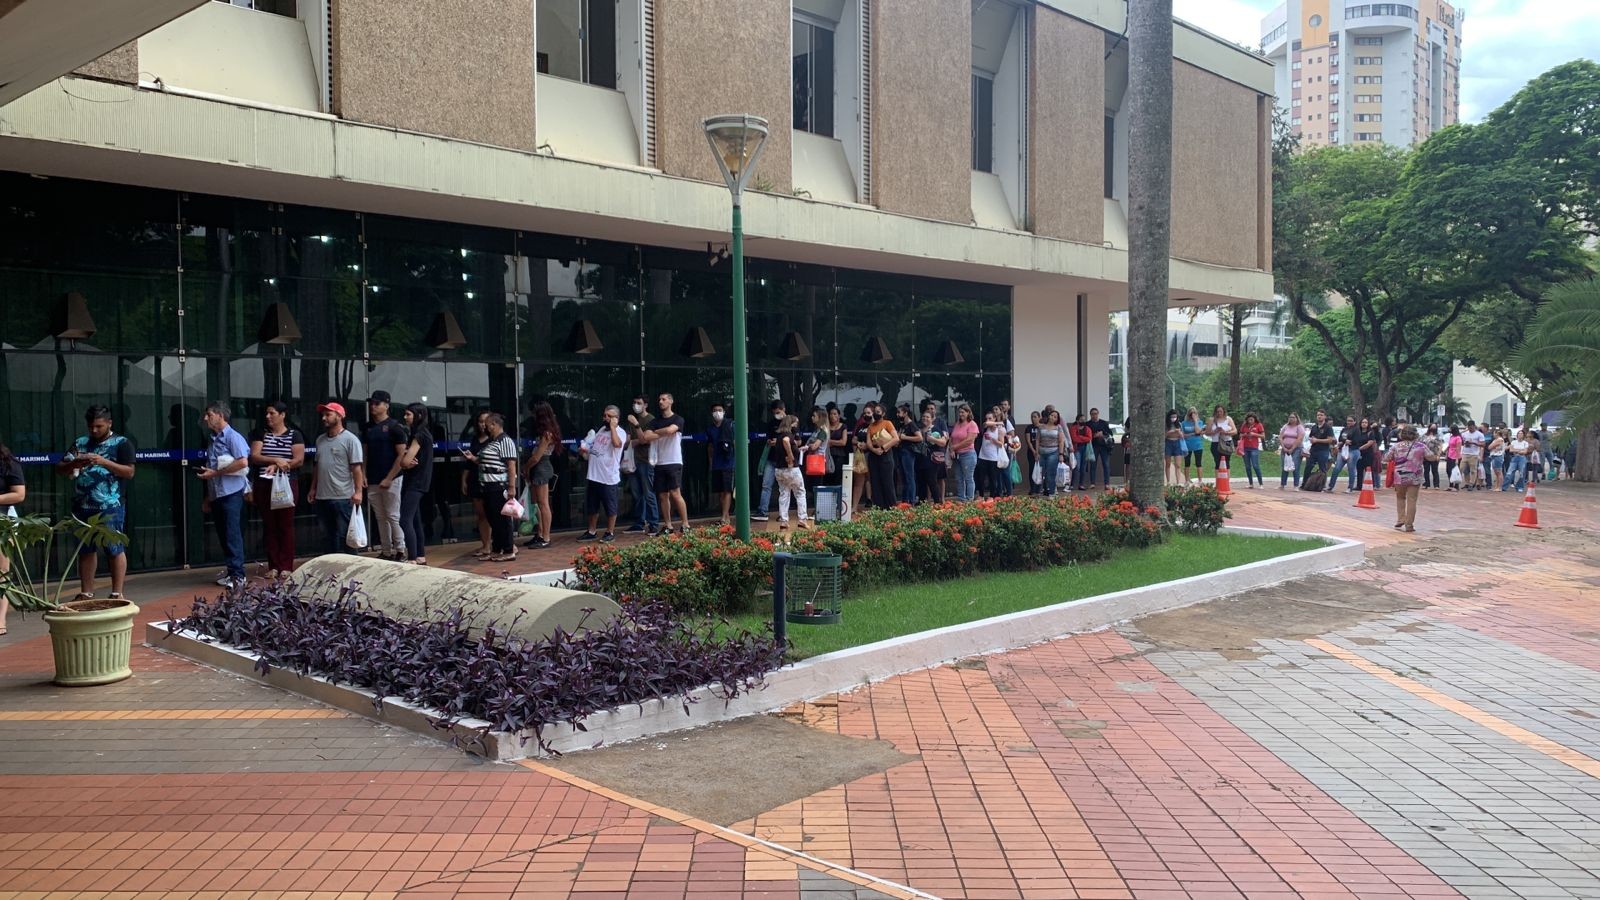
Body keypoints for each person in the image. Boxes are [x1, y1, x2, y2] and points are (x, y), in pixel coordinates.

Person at [58, 405, 137, 601]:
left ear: (109, 423)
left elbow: (129, 472)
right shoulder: (80, 443)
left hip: (110, 506)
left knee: (114, 547)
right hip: (82, 505)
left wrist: (104, 462)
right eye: (91, 426)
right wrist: (74, 464)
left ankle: (117, 592)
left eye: (99, 426)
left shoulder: (122, 443)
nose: (94, 430)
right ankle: (86, 592)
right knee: (85, 549)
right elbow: (60, 468)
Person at [248, 400, 306, 578]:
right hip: (265, 484)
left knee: (285, 525)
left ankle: (286, 565)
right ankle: (273, 565)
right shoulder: (261, 434)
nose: (268, 417)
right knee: (270, 525)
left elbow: (299, 459)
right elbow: (256, 456)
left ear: (282, 415)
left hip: (286, 484)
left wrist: (281, 465)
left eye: (272, 413)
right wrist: (275, 460)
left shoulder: (295, 435)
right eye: (267, 413)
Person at [308, 401, 365, 556]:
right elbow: (317, 466)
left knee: (347, 537)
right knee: (328, 537)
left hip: (343, 496)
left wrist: (358, 492)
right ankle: (331, 571)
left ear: (339, 416)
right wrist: (313, 488)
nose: (324, 418)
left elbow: (356, 468)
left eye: (328, 414)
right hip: (322, 496)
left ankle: (352, 571)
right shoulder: (320, 440)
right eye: (323, 415)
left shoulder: (350, 439)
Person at [364, 391, 410, 562]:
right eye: (372, 403)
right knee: (380, 516)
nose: (373, 406)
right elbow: (365, 453)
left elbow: (401, 455)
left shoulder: (395, 427)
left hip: (392, 478)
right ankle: (386, 549)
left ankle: (400, 549)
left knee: (392, 515)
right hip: (373, 477)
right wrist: (363, 473)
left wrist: (389, 477)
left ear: (386, 405)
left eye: (377, 403)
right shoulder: (368, 427)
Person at [638, 393, 688, 534]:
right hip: (659, 462)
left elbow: (672, 429)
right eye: (659, 399)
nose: (661, 402)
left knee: (675, 493)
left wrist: (658, 432)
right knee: (662, 495)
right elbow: (646, 437)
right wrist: (664, 432)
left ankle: (685, 524)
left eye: (664, 399)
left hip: (673, 461)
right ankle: (668, 525)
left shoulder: (678, 419)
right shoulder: (655, 421)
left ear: (671, 401)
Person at [579, 405, 627, 542]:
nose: (605, 418)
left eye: (609, 416)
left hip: (608, 477)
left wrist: (613, 427)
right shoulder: (600, 430)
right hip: (594, 475)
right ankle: (591, 531)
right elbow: (595, 446)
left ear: (616, 419)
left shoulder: (620, 432)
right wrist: (585, 450)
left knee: (610, 506)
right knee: (592, 506)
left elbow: (617, 444)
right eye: (604, 415)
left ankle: (609, 532)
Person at [476, 413, 518, 561]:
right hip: (488, 486)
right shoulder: (493, 441)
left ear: (494, 424)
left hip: (499, 486)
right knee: (493, 518)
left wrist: (511, 487)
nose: (485, 428)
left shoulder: (505, 441)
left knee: (502, 519)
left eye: (487, 425)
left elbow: (511, 465)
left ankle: (508, 550)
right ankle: (497, 548)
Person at [521, 401, 561, 549]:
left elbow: (537, 457)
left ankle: (546, 536)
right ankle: (540, 533)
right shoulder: (546, 431)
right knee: (536, 503)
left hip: (541, 467)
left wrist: (526, 467)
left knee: (543, 503)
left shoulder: (547, 434)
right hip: (538, 468)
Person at [398, 404, 434, 565]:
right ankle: (420, 555)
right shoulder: (421, 433)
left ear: (418, 415)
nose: (405, 417)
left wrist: (405, 460)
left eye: (408, 414)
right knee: (414, 519)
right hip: (416, 481)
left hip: (416, 481)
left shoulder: (419, 435)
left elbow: (405, 461)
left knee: (405, 520)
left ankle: (412, 557)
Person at [624, 394, 661, 534]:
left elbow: (644, 439)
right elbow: (628, 441)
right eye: (634, 402)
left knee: (648, 493)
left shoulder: (650, 420)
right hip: (633, 461)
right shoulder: (632, 420)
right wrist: (633, 441)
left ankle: (654, 523)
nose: (636, 405)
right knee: (636, 493)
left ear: (645, 405)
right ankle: (639, 522)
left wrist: (636, 427)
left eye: (639, 402)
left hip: (646, 461)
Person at [0, 441, 27, 635]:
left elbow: (19, 495)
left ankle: (0, 619)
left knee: (1, 572)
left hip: (3, 520)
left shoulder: (8, 463)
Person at [459, 410, 492, 558]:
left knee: (492, 514)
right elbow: (469, 463)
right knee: (481, 515)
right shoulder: (474, 439)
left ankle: (502, 544)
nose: (483, 424)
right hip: (474, 479)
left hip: (490, 480)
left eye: (486, 421)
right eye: (480, 421)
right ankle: (486, 545)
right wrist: (464, 480)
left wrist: (474, 459)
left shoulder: (495, 440)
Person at [769, 415, 808, 530]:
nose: (796, 426)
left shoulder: (779, 436)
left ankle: (784, 520)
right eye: (795, 423)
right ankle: (802, 519)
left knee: (784, 494)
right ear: (790, 423)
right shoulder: (788, 435)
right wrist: (791, 456)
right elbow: (787, 441)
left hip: (779, 470)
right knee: (800, 493)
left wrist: (797, 450)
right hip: (791, 469)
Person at [1386, 425, 1426, 533]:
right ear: (1415, 434)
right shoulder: (1421, 446)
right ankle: (1409, 525)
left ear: (1402, 434)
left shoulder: (1396, 446)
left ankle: (1400, 519)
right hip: (1415, 475)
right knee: (1412, 500)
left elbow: (1386, 458)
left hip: (1399, 476)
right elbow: (1431, 456)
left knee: (1400, 498)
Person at [865, 402, 900, 508]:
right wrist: (874, 450)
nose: (875, 414)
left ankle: (892, 506)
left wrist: (884, 448)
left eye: (878, 412)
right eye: (874, 412)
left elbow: (896, 438)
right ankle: (879, 507)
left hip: (886, 455)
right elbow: (868, 443)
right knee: (875, 483)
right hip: (874, 455)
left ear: (883, 413)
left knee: (887, 483)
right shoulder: (871, 426)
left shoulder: (887, 423)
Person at [757, 399, 787, 520]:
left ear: (784, 410)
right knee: (766, 485)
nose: (777, 415)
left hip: (784, 459)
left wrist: (778, 442)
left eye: (778, 412)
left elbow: (797, 441)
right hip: (771, 458)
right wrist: (771, 441)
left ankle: (783, 514)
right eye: (775, 413)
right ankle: (763, 511)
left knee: (784, 488)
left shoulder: (791, 421)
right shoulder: (771, 423)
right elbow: (768, 438)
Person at [708, 402, 736, 525]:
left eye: (720, 410)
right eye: (715, 410)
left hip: (728, 462)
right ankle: (725, 515)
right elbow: (710, 446)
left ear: (724, 412)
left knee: (727, 490)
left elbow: (736, 442)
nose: (717, 412)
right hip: (716, 464)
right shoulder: (710, 428)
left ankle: (725, 517)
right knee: (720, 491)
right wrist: (710, 462)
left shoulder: (730, 425)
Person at [950, 405, 979, 502]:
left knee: (968, 478)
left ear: (968, 413)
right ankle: (961, 498)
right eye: (960, 412)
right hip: (957, 455)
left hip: (968, 454)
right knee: (958, 478)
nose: (961, 414)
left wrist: (954, 447)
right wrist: (951, 449)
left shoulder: (972, 424)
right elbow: (952, 437)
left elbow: (969, 441)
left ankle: (969, 498)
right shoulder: (957, 423)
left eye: (963, 412)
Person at [920, 409, 948, 503]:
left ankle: (937, 502)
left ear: (932, 419)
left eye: (927, 417)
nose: (925, 418)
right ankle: (923, 502)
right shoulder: (920, 429)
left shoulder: (935, 429)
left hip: (932, 459)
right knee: (923, 481)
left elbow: (943, 442)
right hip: (922, 459)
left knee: (932, 481)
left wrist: (932, 439)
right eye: (924, 416)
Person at [895, 404, 921, 504]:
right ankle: (904, 500)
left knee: (909, 476)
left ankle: (912, 500)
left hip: (908, 452)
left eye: (899, 412)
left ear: (905, 413)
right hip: (901, 451)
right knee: (904, 477)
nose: (898, 415)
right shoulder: (902, 425)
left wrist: (905, 437)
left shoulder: (911, 424)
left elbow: (919, 437)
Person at [1036, 410, 1064, 497]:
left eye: (1055, 417)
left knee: (1050, 473)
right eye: (1052, 415)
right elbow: (1037, 440)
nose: (1053, 417)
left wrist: (1061, 454)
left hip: (1053, 452)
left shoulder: (1058, 427)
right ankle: (1043, 490)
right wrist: (1036, 453)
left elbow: (1061, 441)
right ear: (1048, 416)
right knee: (1041, 473)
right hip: (1041, 452)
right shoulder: (1041, 427)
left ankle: (1051, 492)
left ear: (1057, 419)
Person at [1327, 415, 1359, 492]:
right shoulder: (1344, 429)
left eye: (1351, 421)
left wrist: (1346, 441)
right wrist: (1345, 441)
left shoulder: (1356, 430)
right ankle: (1330, 486)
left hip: (1352, 450)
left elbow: (1356, 440)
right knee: (1336, 468)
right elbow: (1340, 438)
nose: (1349, 422)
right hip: (1343, 450)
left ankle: (1350, 488)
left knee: (1351, 469)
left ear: (1354, 421)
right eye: (1348, 420)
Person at [1205, 405, 1237, 477]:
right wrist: (1215, 431)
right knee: (1217, 462)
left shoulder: (1228, 419)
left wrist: (1226, 433)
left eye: (1221, 411)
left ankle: (1226, 481)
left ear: (1224, 411)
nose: (1219, 413)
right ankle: (1218, 481)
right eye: (1217, 412)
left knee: (1227, 462)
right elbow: (1207, 433)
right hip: (1216, 443)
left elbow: (1235, 431)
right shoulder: (1212, 420)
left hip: (1227, 442)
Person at [1087, 408, 1115, 490]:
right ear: (1090, 415)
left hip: (1104, 446)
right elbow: (1085, 434)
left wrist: (1102, 433)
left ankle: (1107, 483)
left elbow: (1110, 433)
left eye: (1095, 413)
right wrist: (1093, 435)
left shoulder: (1103, 423)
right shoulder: (1088, 424)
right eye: (1092, 414)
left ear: (1098, 413)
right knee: (1093, 465)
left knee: (1106, 465)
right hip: (1093, 446)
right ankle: (1092, 483)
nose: (1094, 415)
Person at [1277, 413, 1306, 489]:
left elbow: (1299, 438)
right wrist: (1283, 447)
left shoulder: (1299, 427)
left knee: (1295, 467)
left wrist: (1292, 448)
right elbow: (1280, 437)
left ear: (1297, 418)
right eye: (1290, 417)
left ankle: (1296, 485)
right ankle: (1282, 484)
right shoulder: (1285, 426)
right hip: (1285, 449)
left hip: (1296, 449)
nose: (1291, 419)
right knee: (1284, 466)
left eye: (1293, 417)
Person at [1352, 417, 1380, 492]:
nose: (1364, 424)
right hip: (1359, 454)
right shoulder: (1358, 432)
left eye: (1366, 422)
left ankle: (1371, 484)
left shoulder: (1370, 433)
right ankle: (1359, 485)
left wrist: (1360, 448)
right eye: (1362, 422)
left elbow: (1370, 443)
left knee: (1368, 470)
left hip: (1368, 454)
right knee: (1359, 469)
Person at [1237, 413, 1265, 488]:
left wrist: (1254, 434)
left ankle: (1261, 483)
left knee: (1255, 465)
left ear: (1254, 419)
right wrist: (1245, 434)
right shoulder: (1244, 425)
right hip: (1245, 448)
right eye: (1249, 419)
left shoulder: (1258, 425)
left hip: (1254, 448)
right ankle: (1251, 483)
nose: (1250, 421)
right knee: (1247, 466)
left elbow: (1263, 436)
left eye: (1252, 419)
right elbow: (1240, 435)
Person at [1067, 413, 1093, 490]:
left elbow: (1089, 438)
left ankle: (1081, 484)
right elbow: (1074, 439)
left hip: (1085, 449)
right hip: (1077, 449)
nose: (1083, 421)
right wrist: (1083, 438)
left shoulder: (1087, 428)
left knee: (1083, 467)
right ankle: (1072, 484)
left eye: (1084, 419)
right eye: (1081, 419)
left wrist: (1080, 437)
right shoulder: (1073, 428)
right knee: (1076, 467)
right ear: (1077, 420)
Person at [826, 406, 850, 488]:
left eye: (835, 414)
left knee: (837, 477)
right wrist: (835, 442)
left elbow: (843, 442)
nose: (832, 416)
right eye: (831, 414)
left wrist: (831, 442)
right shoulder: (826, 426)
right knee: (828, 477)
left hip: (839, 456)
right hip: (828, 455)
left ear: (839, 415)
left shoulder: (843, 426)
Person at [1307, 410, 1336, 477]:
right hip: (1313, 450)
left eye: (1321, 415)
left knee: (1322, 469)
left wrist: (1317, 440)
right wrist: (1311, 439)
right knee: (1308, 467)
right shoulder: (1314, 427)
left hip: (1323, 450)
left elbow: (1329, 440)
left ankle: (1322, 484)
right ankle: (1305, 484)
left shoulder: (1328, 427)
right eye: (1318, 415)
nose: (1319, 416)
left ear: (1325, 416)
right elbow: (1311, 437)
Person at [1181, 407, 1205, 484]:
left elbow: (1198, 431)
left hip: (1197, 445)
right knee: (1187, 463)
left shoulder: (1199, 422)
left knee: (1198, 463)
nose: (1192, 415)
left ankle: (1200, 480)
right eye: (1191, 414)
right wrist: (1192, 434)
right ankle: (1187, 480)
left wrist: (1195, 421)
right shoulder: (1184, 423)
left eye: (1194, 413)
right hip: (1187, 445)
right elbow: (1182, 435)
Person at [1503, 429, 1531, 493]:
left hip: (1522, 458)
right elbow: (1511, 450)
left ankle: (1519, 487)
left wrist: (1516, 450)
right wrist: (1520, 450)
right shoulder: (1513, 442)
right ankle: (1504, 487)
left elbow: (1525, 451)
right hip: (1514, 458)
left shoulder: (1525, 443)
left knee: (1521, 473)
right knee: (1509, 473)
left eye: (1521, 433)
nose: (1520, 435)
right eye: (1519, 433)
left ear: (1523, 435)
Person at [1163, 410, 1187, 486]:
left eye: (1175, 417)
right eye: (1172, 417)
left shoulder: (1179, 424)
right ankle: (1168, 481)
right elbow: (1164, 436)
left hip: (1177, 443)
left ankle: (1178, 482)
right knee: (1168, 463)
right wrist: (1170, 432)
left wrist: (1179, 433)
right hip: (1168, 443)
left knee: (1178, 464)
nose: (1174, 418)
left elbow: (1183, 436)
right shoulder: (1166, 425)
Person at [1459, 421, 1484, 491]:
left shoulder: (1479, 434)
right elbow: (1460, 440)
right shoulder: (1465, 434)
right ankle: (1464, 482)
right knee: (1462, 468)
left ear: (1474, 426)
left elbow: (1483, 444)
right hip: (1465, 453)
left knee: (1473, 470)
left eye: (1471, 428)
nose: (1470, 429)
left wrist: (1473, 443)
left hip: (1474, 454)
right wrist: (1465, 443)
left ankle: (1471, 483)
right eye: (1469, 428)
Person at [1024, 411, 1043, 495]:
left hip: (1041, 452)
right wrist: (1034, 452)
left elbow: (1043, 440)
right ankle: (1032, 488)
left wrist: (1039, 451)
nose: (1033, 419)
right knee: (1032, 470)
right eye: (1032, 417)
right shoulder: (1029, 428)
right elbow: (1028, 441)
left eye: (1035, 417)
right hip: (1031, 452)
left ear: (1039, 418)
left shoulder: (1042, 427)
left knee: (1040, 470)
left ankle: (1039, 488)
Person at [1422, 424, 1444, 489]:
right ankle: (1426, 484)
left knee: (1435, 471)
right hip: (1426, 455)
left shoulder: (1438, 436)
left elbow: (1440, 446)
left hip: (1434, 455)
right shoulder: (1424, 436)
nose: (1433, 428)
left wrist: (1438, 455)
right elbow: (1421, 445)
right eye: (1432, 426)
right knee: (1426, 470)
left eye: (1434, 427)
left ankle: (1436, 485)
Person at [1444, 425, 1463, 490]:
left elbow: (1458, 448)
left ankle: (1456, 485)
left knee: (1455, 471)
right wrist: (1446, 454)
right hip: (1450, 455)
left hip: (1455, 456)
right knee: (1448, 470)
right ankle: (1451, 484)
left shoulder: (1458, 438)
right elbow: (1449, 446)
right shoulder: (1451, 437)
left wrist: (1457, 458)